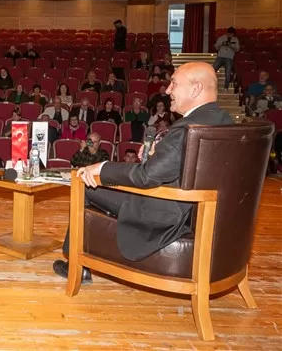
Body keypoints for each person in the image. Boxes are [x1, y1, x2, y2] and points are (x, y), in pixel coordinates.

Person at [54, 62, 233, 283]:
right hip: (195, 210)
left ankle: (77, 265)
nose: (167, 90)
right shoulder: (223, 120)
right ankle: (95, 249)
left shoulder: (187, 128)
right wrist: (159, 153)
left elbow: (146, 176)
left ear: (195, 89)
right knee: (102, 187)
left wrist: (101, 166)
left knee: (83, 181)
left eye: (174, 83)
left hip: (163, 211)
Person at [213, 27, 240, 91]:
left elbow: (237, 49)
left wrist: (231, 46)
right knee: (212, 70)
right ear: (227, 33)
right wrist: (222, 44)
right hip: (220, 56)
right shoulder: (221, 38)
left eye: (232, 34)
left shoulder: (235, 39)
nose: (230, 35)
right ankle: (211, 84)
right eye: (229, 33)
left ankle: (226, 87)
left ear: (233, 34)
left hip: (229, 58)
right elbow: (216, 47)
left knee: (228, 73)